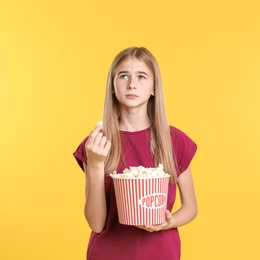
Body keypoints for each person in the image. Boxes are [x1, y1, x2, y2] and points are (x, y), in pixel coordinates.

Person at [73, 47, 198, 260]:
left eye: (141, 77)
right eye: (123, 76)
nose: (132, 84)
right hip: (109, 253)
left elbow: (191, 206)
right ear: (112, 86)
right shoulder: (97, 143)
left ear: (154, 88)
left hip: (161, 253)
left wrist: (169, 222)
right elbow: (96, 223)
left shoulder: (173, 141)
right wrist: (95, 164)